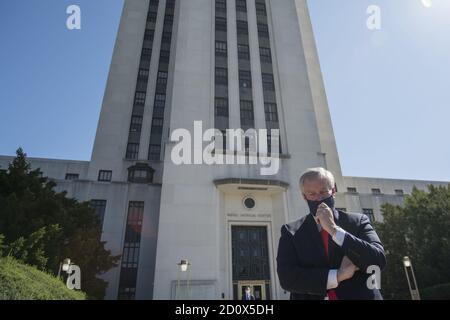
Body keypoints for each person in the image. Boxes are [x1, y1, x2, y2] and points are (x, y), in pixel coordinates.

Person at [276, 167, 386, 300]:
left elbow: (377, 260)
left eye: (323, 192)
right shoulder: (291, 232)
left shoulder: (358, 222)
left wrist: (334, 230)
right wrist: (338, 275)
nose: (318, 198)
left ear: (333, 191)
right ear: (304, 197)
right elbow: (287, 278)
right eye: (312, 194)